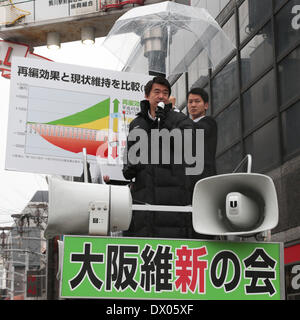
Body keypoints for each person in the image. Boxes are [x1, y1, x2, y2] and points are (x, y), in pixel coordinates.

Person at [122, 76, 196, 239]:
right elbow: (132, 154)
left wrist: (165, 121)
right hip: (144, 196)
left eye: (165, 93)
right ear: (147, 96)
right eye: (157, 92)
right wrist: (129, 167)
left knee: (171, 243)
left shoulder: (180, 119)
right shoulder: (137, 123)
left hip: (173, 196)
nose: (161, 96)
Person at [187, 87, 217, 193]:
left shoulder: (209, 122)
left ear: (206, 105)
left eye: (197, 101)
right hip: (188, 181)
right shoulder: (185, 127)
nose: (193, 105)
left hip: (205, 180)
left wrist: (176, 113)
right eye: (190, 102)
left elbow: (198, 130)